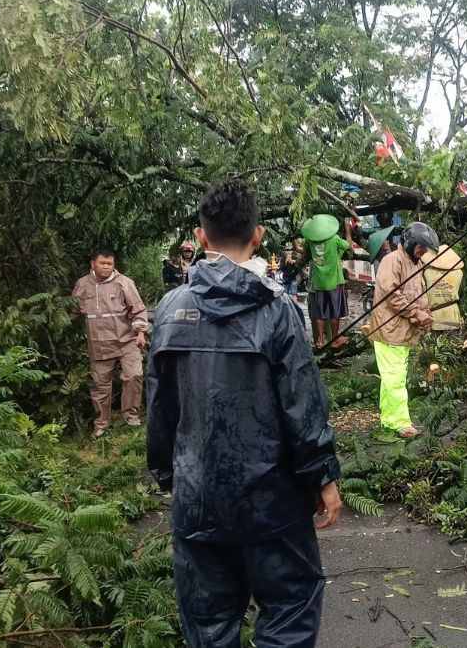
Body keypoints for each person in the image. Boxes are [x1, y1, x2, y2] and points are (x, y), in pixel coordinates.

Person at [147, 179, 342, 647]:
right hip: (271, 502)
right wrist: (323, 477)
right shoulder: (278, 311)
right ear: (258, 236)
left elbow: (160, 408)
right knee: (290, 607)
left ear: (200, 238)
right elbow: (303, 404)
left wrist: (168, 475)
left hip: (198, 499)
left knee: (209, 621)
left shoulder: (170, 310)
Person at [365, 221, 439, 438]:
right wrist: (416, 313)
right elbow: (391, 294)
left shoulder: (415, 264)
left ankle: (389, 419)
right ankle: (400, 422)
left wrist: (425, 315)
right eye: (421, 246)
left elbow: (419, 296)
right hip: (389, 331)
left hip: (403, 331)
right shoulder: (392, 261)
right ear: (409, 242)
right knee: (395, 378)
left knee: (392, 377)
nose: (423, 251)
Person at [72, 249, 150, 438]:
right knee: (100, 386)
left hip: (126, 341)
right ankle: (101, 424)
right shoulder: (83, 285)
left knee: (134, 376)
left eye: (110, 264)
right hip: (98, 344)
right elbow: (73, 310)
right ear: (93, 264)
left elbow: (138, 309)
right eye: (102, 263)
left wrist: (140, 333)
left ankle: (131, 416)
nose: (106, 267)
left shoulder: (124, 282)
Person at [305, 216, 355, 349]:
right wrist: (347, 230)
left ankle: (320, 340)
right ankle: (334, 339)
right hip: (334, 282)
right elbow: (349, 246)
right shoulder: (334, 239)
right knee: (335, 313)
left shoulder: (311, 242)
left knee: (320, 313)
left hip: (319, 283)